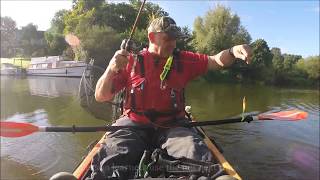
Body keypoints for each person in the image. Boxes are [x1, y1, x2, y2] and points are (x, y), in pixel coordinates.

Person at [89, 16, 252, 180]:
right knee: (111, 158)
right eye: (168, 38)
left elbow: (215, 61)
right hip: (133, 125)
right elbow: (100, 96)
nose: (173, 44)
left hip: (174, 127)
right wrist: (111, 69)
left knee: (194, 151)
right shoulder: (130, 61)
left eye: (175, 39)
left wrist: (232, 51)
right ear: (152, 37)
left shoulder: (184, 60)